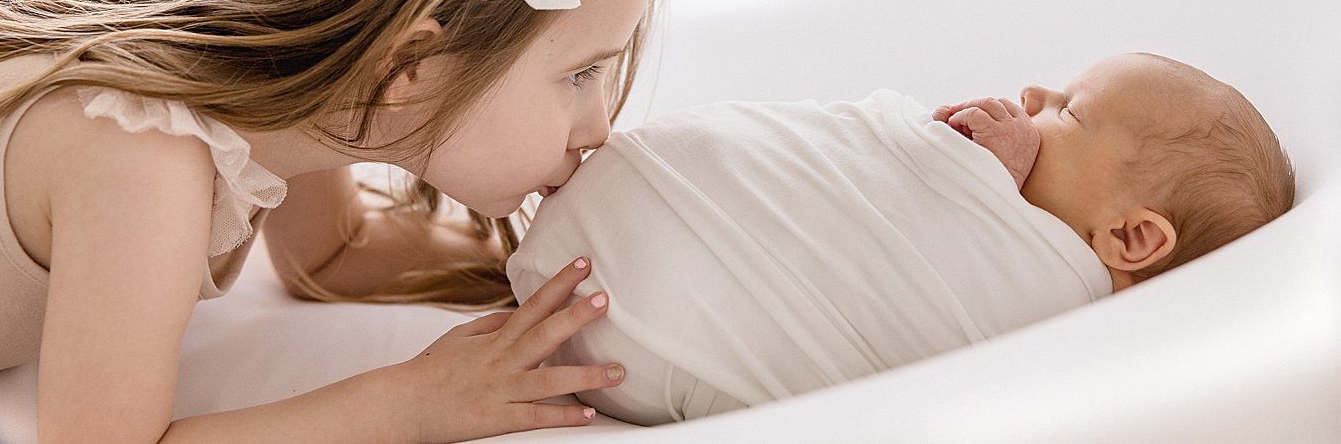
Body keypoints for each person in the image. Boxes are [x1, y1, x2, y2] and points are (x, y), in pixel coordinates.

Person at [0, 0, 661, 442]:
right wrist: (412, 402)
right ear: (410, 64)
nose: (600, 127)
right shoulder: (144, 158)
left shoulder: (292, 99)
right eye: (581, 74)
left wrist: (556, 268)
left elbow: (331, 251)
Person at [508, 52, 1295, 424]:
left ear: (1129, 237)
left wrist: (954, 166)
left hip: (638, 286)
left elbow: (910, 201)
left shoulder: (1051, 300)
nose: (1031, 94)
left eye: (1069, 112)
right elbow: (853, 189)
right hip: (625, 332)